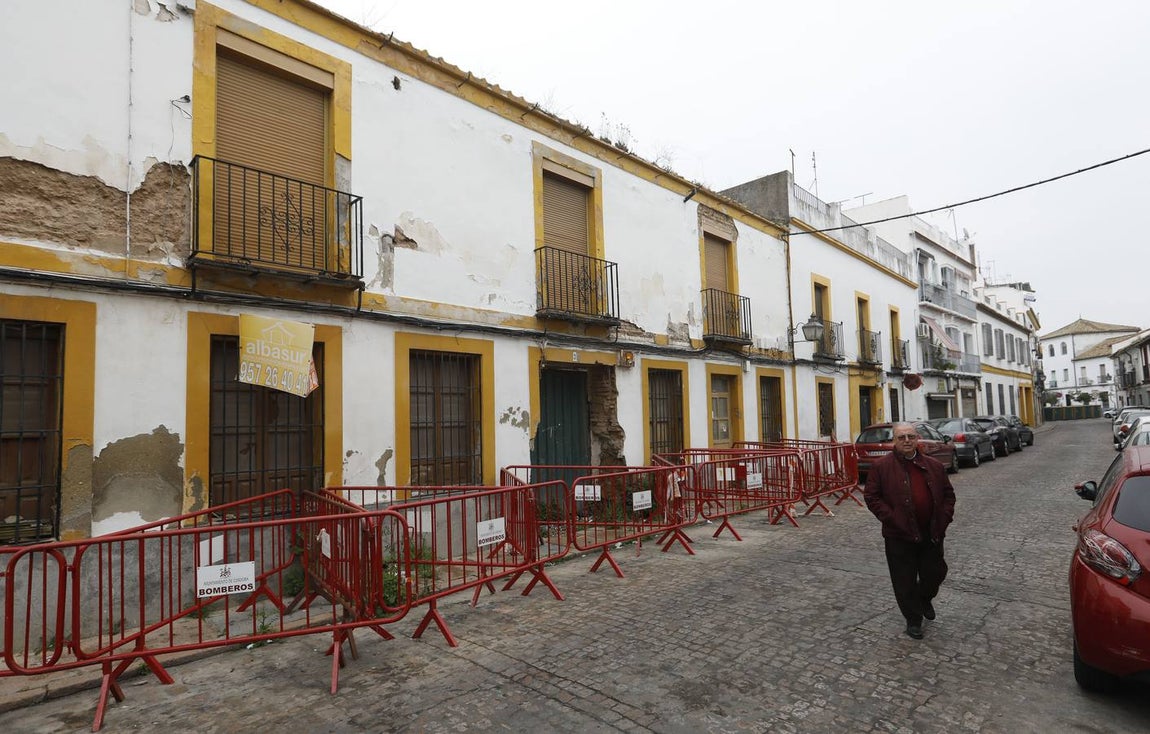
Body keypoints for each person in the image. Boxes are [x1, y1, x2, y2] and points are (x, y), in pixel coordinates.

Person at [863, 422, 956, 640]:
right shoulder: (881, 467)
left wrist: (944, 518)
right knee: (903, 580)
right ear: (894, 441)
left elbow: (948, 495)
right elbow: (872, 497)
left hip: (931, 531)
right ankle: (913, 619)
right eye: (902, 437)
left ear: (917, 439)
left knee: (935, 573)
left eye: (911, 437)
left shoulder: (934, 465)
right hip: (899, 534)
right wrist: (892, 518)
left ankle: (925, 597)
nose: (907, 441)